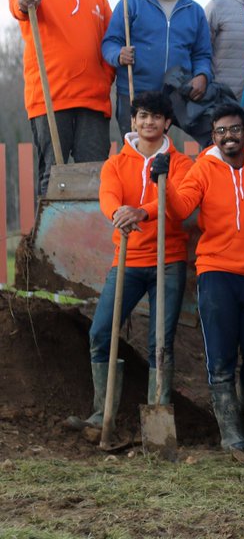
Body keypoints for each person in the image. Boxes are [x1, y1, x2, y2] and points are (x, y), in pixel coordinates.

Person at [69, 92, 193, 435]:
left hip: (168, 261)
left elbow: (178, 203)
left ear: (167, 122)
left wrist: (143, 210)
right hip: (128, 258)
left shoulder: (180, 164)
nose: (149, 122)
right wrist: (118, 214)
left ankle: (157, 419)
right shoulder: (116, 163)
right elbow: (109, 196)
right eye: (142, 116)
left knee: (160, 342)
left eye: (156, 116)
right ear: (133, 121)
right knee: (100, 332)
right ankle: (101, 413)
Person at [161, 103, 244, 457]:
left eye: (235, 129)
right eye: (221, 131)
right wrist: (163, 184)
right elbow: (181, 209)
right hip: (217, 272)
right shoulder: (203, 169)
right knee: (222, 356)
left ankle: (233, 412)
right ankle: (231, 434)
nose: (229, 137)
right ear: (213, 136)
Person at [9, 0, 114, 196]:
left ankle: (90, 238)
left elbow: (111, 41)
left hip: (93, 101)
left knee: (95, 176)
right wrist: (24, 1)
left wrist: (107, 75)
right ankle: (50, 239)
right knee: (54, 176)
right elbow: (16, 3)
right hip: (50, 99)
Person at [102, 0, 212, 130]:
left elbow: (202, 54)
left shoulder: (195, 11)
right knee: (137, 152)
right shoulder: (131, 3)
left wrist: (203, 75)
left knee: (183, 148)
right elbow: (110, 42)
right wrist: (119, 55)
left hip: (179, 96)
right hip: (135, 93)